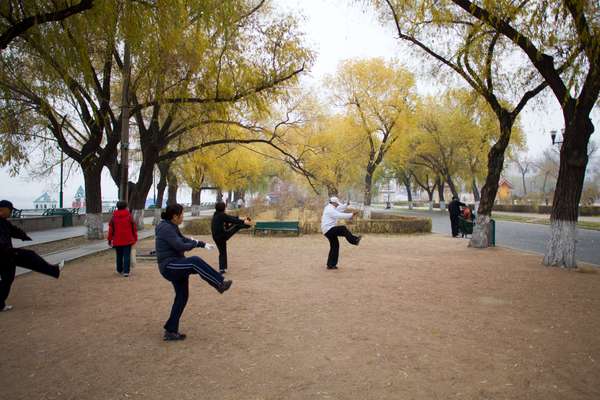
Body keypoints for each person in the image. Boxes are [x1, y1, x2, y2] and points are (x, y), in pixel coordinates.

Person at [155, 203, 232, 341]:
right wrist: (194, 244)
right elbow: (180, 245)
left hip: (177, 263)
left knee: (182, 296)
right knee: (194, 261)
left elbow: (184, 239)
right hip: (169, 266)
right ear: (174, 216)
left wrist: (201, 244)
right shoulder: (165, 228)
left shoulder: (171, 226)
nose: (183, 217)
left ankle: (171, 331)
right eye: (182, 215)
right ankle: (219, 283)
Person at [0, 200, 64, 312]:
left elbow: (14, 231)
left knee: (8, 278)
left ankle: (0, 304)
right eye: (10, 211)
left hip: (6, 254)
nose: (11, 213)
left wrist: (24, 236)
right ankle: (54, 270)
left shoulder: (4, 222)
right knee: (29, 257)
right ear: (3, 210)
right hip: (4, 254)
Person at [321, 197, 361, 270]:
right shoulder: (330, 210)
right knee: (343, 229)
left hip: (327, 230)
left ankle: (331, 265)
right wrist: (351, 214)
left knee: (335, 246)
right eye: (337, 204)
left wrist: (346, 205)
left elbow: (339, 208)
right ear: (334, 203)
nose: (337, 205)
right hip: (328, 229)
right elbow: (339, 215)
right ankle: (354, 240)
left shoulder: (330, 207)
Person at [211, 202, 252, 274]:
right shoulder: (221, 215)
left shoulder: (216, 215)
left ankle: (222, 269)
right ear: (224, 208)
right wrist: (243, 221)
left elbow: (230, 218)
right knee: (237, 225)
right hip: (222, 236)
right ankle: (249, 225)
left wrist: (241, 218)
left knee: (222, 252)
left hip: (216, 237)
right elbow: (231, 219)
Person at [107, 201, 138, 277]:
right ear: (125, 206)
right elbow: (133, 228)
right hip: (128, 239)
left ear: (117, 206)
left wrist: (109, 239)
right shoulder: (129, 216)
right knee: (127, 255)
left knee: (119, 255)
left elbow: (111, 229)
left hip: (117, 239)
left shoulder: (114, 216)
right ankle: (126, 271)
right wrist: (135, 238)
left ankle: (119, 269)